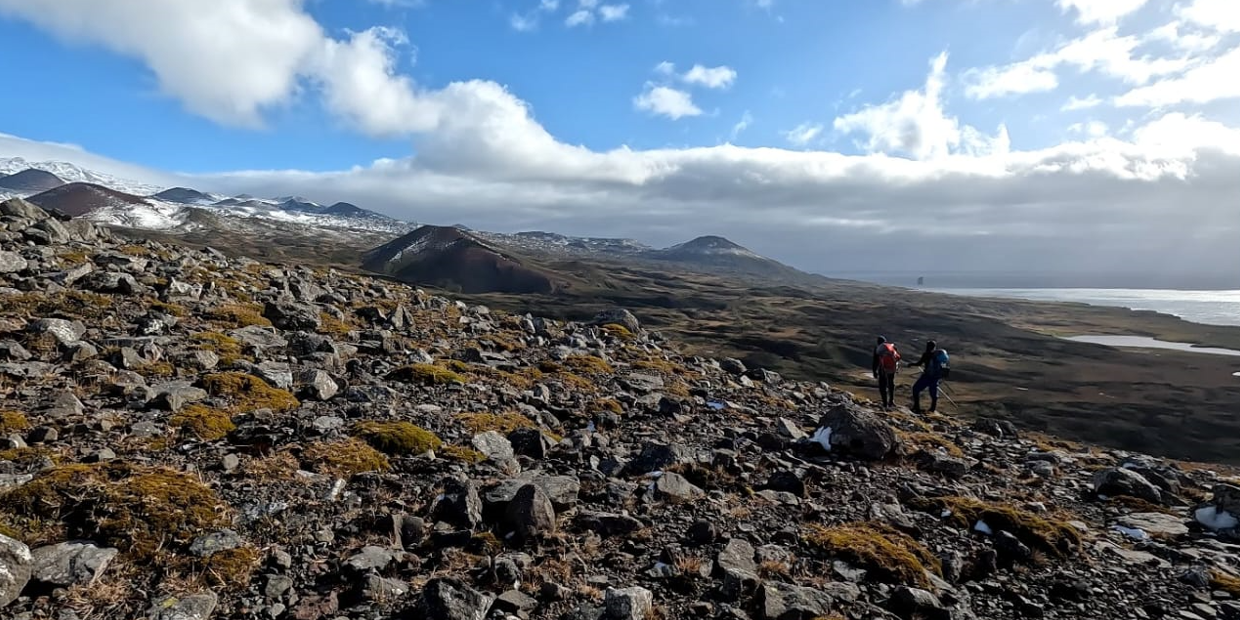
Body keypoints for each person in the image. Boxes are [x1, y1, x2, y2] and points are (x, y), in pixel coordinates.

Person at [911, 340, 950, 413]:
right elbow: (943, 367)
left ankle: (916, 407)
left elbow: (919, 363)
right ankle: (932, 409)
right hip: (935, 377)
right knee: (933, 393)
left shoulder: (926, 354)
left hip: (927, 376)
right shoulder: (938, 356)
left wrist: (911, 364)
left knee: (915, 389)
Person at [872, 336, 900, 408]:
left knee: (882, 386)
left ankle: (885, 404)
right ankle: (891, 400)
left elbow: (875, 361)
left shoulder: (878, 348)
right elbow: (897, 358)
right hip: (892, 369)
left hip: (883, 369)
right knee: (891, 383)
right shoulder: (892, 347)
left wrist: (874, 371)